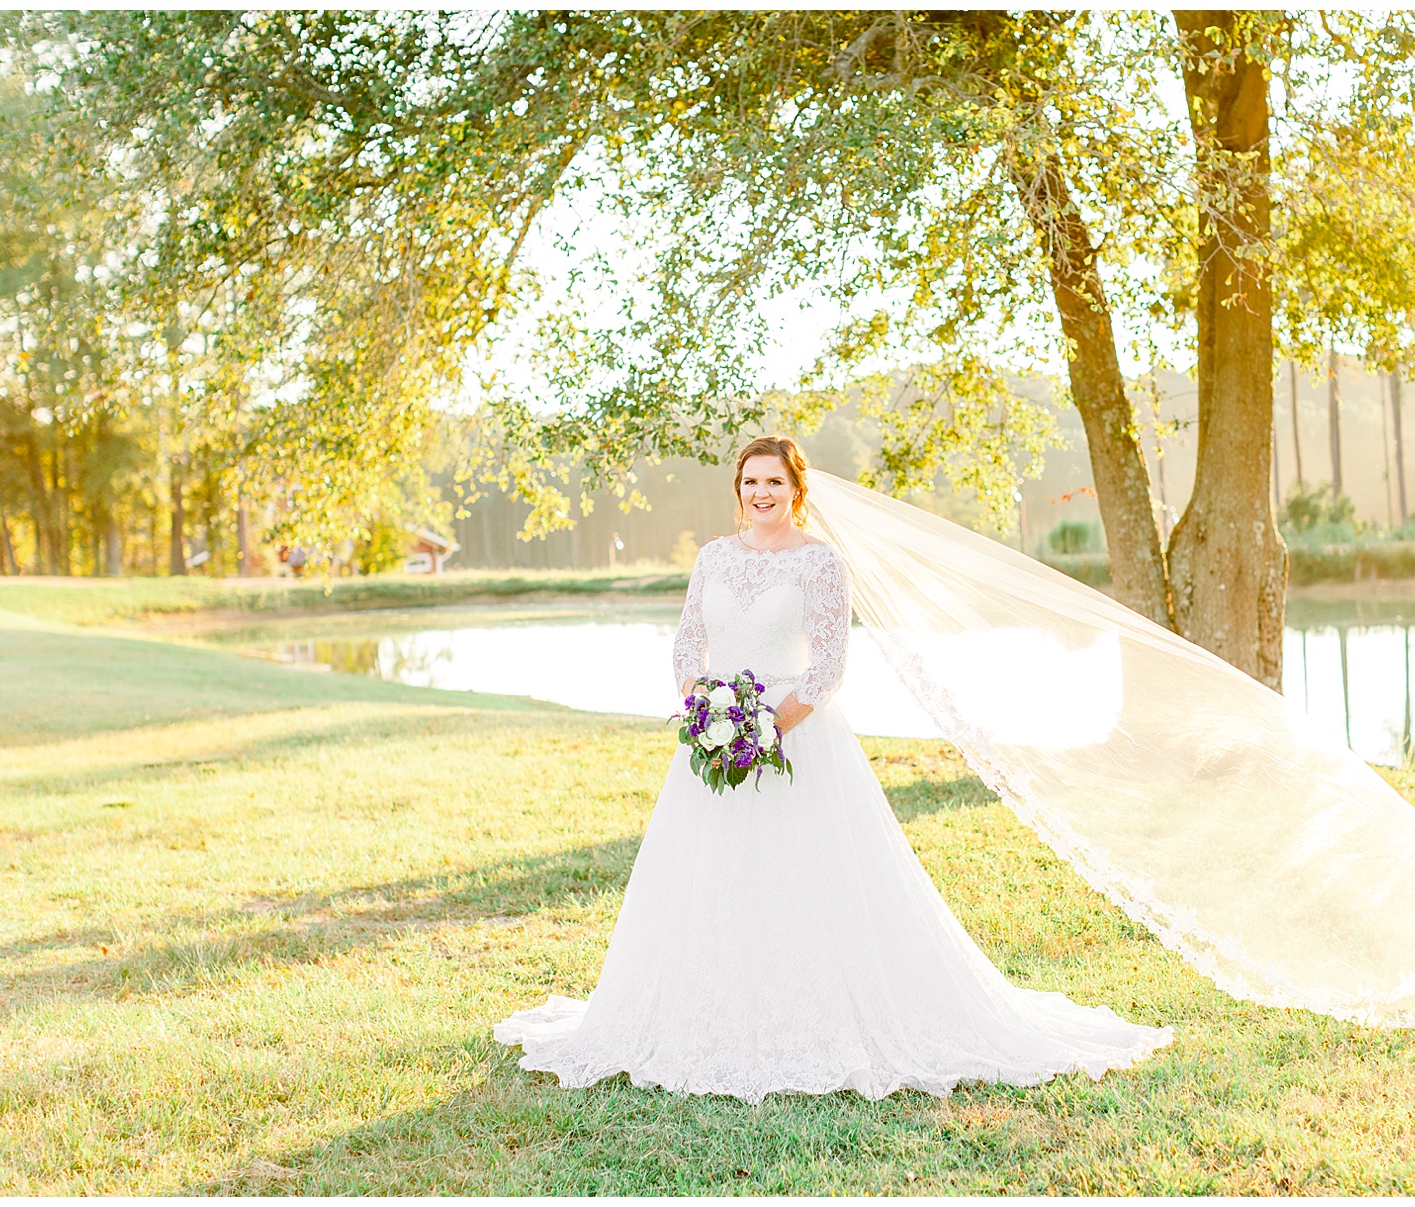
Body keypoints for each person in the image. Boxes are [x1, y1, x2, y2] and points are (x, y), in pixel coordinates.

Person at [493, 435, 1175, 1102]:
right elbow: (686, 643)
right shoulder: (713, 557)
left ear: (797, 490)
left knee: (807, 877)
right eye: (751, 482)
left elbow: (828, 665)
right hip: (713, 743)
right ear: (738, 490)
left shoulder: (821, 563)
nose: (761, 493)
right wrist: (704, 709)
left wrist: (766, 728)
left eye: (774, 482)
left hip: (797, 740)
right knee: (709, 877)